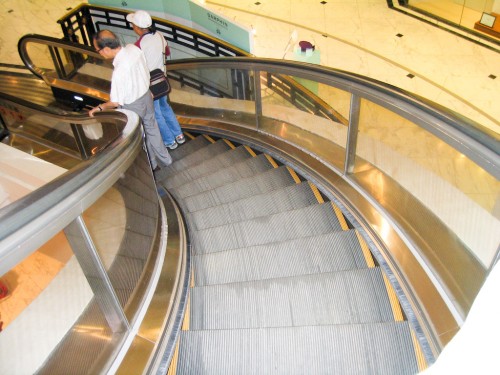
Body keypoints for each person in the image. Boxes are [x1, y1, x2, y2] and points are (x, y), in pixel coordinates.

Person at [88, 29, 172, 171]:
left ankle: (152, 164)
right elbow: (146, 70)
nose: (99, 53)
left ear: (107, 49)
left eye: (98, 50)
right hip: (147, 96)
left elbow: (115, 102)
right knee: (152, 128)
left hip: (133, 106)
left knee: (141, 136)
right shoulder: (133, 49)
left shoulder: (119, 71)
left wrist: (100, 108)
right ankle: (166, 159)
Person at [126, 10, 185, 150]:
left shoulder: (138, 45)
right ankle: (179, 135)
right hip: (162, 81)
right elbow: (167, 52)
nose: (132, 27)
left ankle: (170, 141)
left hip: (150, 85)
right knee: (166, 107)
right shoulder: (159, 35)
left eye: (133, 24)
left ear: (138, 27)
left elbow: (136, 68)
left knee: (157, 113)